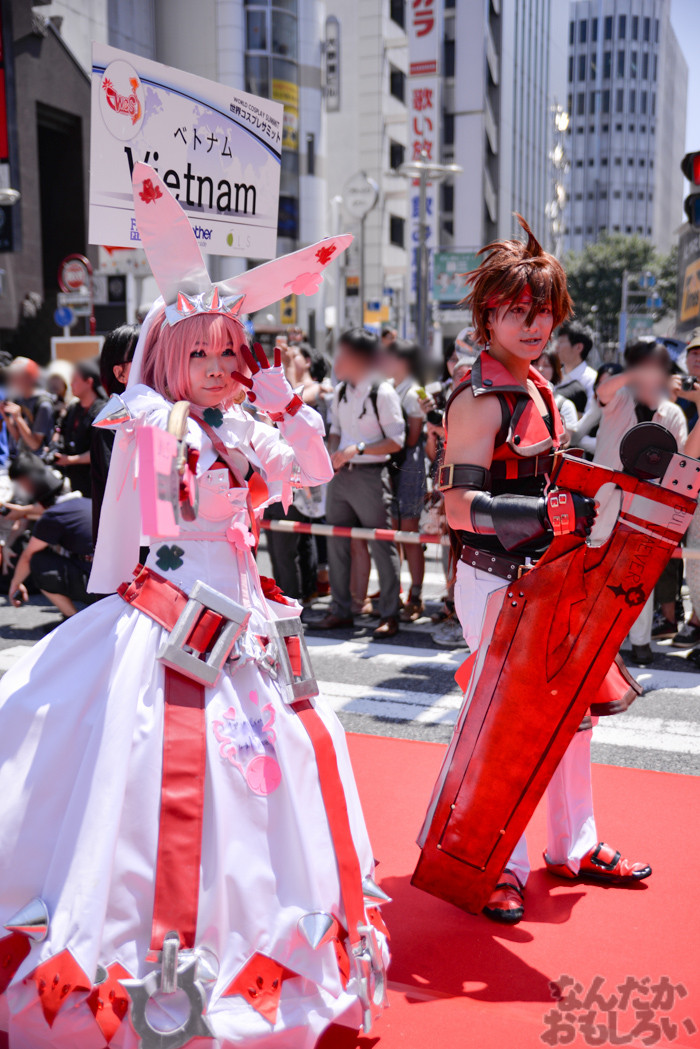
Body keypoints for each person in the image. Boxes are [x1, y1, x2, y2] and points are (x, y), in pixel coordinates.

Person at [0, 162, 388, 1047]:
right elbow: (148, 475)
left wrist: (281, 398)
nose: (216, 368)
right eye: (199, 355)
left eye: (228, 353)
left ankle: (262, 944)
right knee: (151, 766)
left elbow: (313, 473)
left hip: (246, 617)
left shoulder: (247, 421)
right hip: (171, 609)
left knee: (276, 764)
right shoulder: (153, 420)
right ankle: (151, 959)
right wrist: (166, 397)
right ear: (172, 360)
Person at [420, 216, 650, 925]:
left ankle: (572, 845)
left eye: (543, 311)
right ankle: (496, 862)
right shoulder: (477, 397)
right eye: (518, 311)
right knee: (506, 724)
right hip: (494, 577)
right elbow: (458, 507)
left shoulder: (542, 389)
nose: (533, 324)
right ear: (489, 315)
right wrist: (544, 514)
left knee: (572, 711)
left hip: (549, 575)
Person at [594, 337, 687, 665]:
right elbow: (602, 391)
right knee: (598, 570)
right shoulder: (620, 396)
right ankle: (600, 638)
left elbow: (680, 460)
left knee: (638, 575)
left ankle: (640, 642)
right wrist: (634, 374)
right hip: (606, 498)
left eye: (657, 366)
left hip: (649, 503)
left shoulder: (671, 412)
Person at [311, 328, 405, 638]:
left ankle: (390, 613)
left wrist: (359, 449)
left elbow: (397, 441)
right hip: (342, 475)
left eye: (343, 355)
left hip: (371, 475)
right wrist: (333, 452)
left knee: (381, 543)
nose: (337, 360)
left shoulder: (382, 392)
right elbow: (336, 429)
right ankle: (340, 609)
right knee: (336, 541)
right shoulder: (340, 391)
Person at [6, 452, 96, 618]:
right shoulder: (85, 503)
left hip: (99, 586)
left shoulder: (53, 516)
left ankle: (73, 620)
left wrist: (15, 584)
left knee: (38, 562)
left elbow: (27, 557)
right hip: (119, 581)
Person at [382, 338, 427, 621]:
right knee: (394, 529)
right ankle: (396, 590)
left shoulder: (415, 390)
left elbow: (412, 438)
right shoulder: (390, 385)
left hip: (409, 463)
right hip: (394, 461)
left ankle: (416, 593)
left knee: (409, 531)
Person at [90, 323, 139, 540]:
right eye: (142, 358)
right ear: (120, 373)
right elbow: (122, 491)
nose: (156, 364)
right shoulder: (114, 419)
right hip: (126, 545)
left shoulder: (169, 410)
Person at [54, 358, 107, 497]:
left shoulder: (103, 411)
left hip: (94, 481)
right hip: (75, 479)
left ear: (89, 382)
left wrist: (70, 460)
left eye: (75, 380)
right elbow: (62, 431)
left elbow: (101, 450)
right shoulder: (73, 409)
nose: (71, 384)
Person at [1, 356, 55, 455]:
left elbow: (35, 445)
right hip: (22, 458)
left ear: (29, 378)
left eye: (16, 376)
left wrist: (18, 418)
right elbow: (19, 439)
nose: (11, 380)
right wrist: (6, 416)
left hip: (38, 461)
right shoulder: (19, 399)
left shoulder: (43, 404)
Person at [533, 346, 577, 435]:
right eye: (536, 364)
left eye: (546, 365)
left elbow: (565, 440)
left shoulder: (564, 406)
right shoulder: (518, 397)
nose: (540, 369)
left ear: (555, 370)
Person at [555, 321, 597, 413]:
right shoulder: (554, 376)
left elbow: (589, 416)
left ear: (578, 347)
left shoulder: (592, 380)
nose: (556, 347)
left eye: (561, 342)